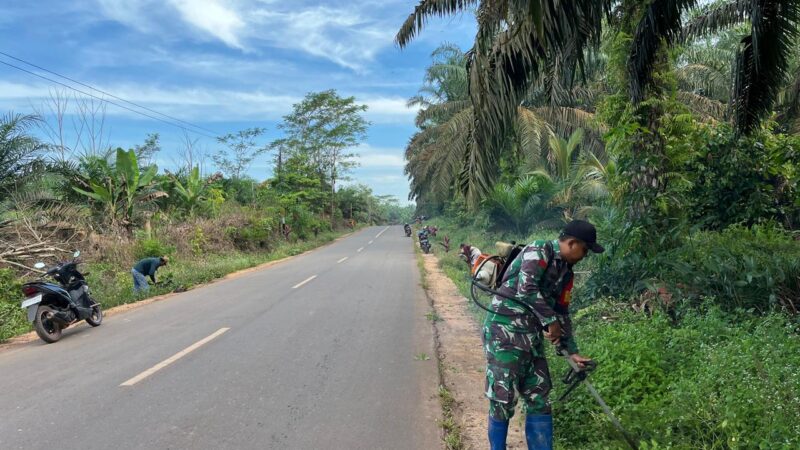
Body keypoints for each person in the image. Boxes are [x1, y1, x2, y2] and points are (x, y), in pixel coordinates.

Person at [483, 220, 603, 450]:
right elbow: (525, 289)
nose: (585, 255)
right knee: (502, 398)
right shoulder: (538, 250)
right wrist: (550, 321)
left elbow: (562, 312)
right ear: (572, 243)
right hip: (504, 333)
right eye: (585, 250)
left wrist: (572, 351)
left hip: (532, 338)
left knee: (540, 396)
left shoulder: (567, 274)